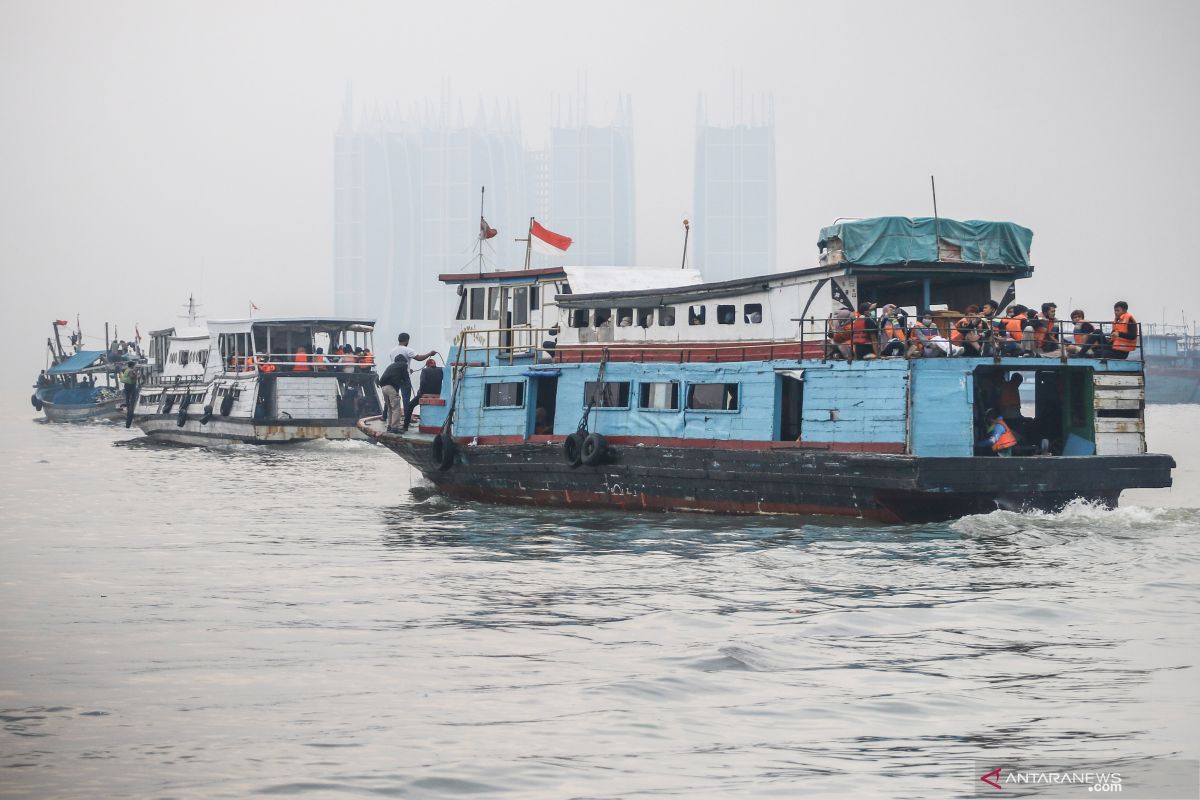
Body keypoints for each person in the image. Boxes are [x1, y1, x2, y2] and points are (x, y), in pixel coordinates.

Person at [378, 354, 414, 433]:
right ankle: (395, 428)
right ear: (404, 361)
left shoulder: (392, 366)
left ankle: (389, 426)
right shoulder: (403, 365)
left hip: (383, 387)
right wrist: (409, 373)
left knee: (390, 408)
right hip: (391, 388)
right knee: (396, 408)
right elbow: (406, 379)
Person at [118, 361, 139, 428]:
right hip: (131, 385)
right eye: (134, 365)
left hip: (126, 385)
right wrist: (136, 374)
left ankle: (128, 405)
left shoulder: (126, 370)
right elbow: (131, 377)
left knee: (127, 397)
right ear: (132, 365)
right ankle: (131, 406)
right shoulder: (131, 371)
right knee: (133, 397)